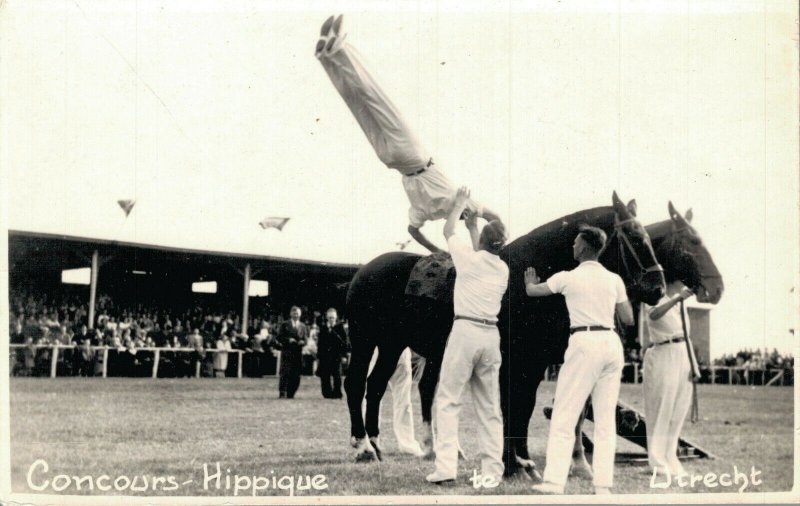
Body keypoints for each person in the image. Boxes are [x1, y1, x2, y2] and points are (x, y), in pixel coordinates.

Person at [315, 15, 501, 253]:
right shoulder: (428, 213)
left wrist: (497, 234)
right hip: (391, 160)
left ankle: (340, 48)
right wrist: (437, 250)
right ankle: (327, 57)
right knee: (358, 106)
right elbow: (412, 231)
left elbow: (495, 216)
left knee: (377, 98)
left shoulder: (459, 200)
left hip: (413, 155)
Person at [524, 225, 634, 495]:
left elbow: (533, 292)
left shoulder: (568, 277)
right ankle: (603, 486)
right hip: (610, 343)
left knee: (564, 412)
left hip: (584, 342)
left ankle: (553, 482)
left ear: (584, 247)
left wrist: (528, 281)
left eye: (575, 243)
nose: (572, 246)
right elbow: (628, 319)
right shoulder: (614, 280)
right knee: (606, 419)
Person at [426, 186, 508, 485]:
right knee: (489, 406)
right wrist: (475, 225)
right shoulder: (502, 269)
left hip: (466, 332)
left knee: (448, 399)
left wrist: (459, 203)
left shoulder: (469, 260)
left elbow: (448, 229)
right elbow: (480, 253)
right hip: (490, 335)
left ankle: (446, 468)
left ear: (483, 242)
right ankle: (491, 472)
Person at [642, 280, 695, 478]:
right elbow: (654, 315)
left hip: (682, 352)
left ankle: (670, 456)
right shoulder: (654, 296)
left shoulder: (681, 301)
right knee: (661, 408)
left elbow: (686, 335)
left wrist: (694, 365)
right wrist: (676, 299)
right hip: (662, 352)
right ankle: (657, 461)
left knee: (678, 409)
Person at [316, 308, 349, 399]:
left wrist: (344, 356)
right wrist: (319, 356)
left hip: (336, 356)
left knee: (337, 375)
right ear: (327, 317)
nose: (331, 319)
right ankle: (327, 393)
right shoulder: (323, 328)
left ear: (336, 318)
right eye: (330, 317)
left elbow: (344, 343)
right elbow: (320, 343)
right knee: (325, 375)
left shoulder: (340, 328)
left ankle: (337, 393)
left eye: (333, 318)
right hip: (325, 356)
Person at [276, 306, 308, 398]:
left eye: (297, 313)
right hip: (287, 352)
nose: (296, 315)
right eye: (294, 313)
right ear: (291, 314)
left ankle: (291, 393)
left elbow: (305, 339)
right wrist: (288, 340)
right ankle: (282, 392)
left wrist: (303, 342)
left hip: (297, 353)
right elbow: (279, 337)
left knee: (296, 374)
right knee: (285, 373)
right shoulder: (285, 324)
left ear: (300, 314)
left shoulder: (303, 326)